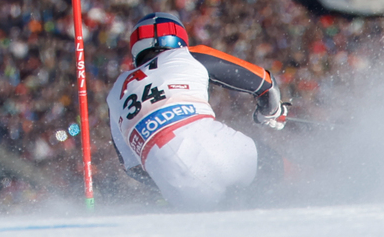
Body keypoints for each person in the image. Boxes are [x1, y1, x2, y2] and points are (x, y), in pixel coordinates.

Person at [106, 11, 287, 207]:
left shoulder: (115, 93)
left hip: (175, 185)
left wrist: (170, 178)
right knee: (277, 168)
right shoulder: (188, 54)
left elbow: (132, 167)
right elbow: (265, 84)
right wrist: (270, 113)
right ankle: (316, 193)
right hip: (213, 146)